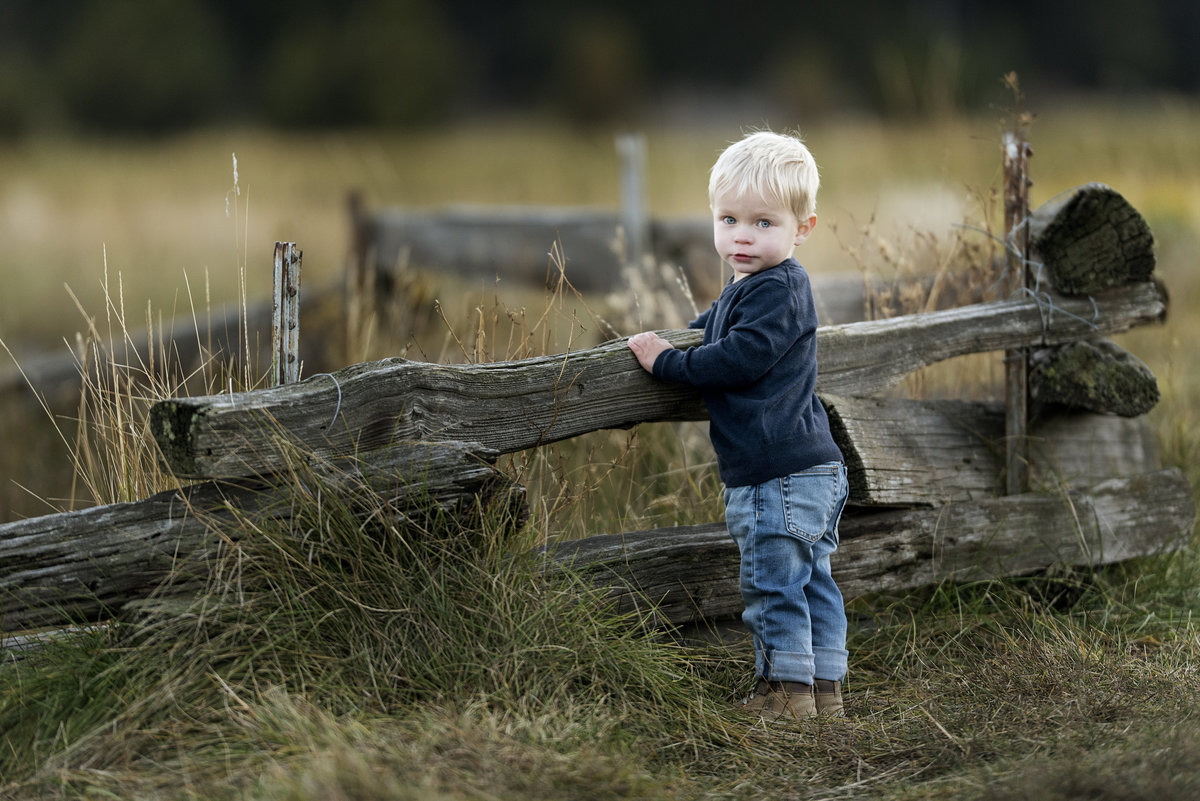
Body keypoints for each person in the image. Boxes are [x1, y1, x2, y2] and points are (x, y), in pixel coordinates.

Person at [627, 130, 849, 721]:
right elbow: (718, 324)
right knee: (812, 581)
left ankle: (785, 697)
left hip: (776, 473)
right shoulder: (752, 286)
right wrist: (685, 334)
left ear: (803, 228)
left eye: (763, 223)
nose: (742, 236)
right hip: (806, 467)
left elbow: (739, 356)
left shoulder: (781, 289)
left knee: (776, 586)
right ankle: (825, 694)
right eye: (728, 219)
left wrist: (668, 361)